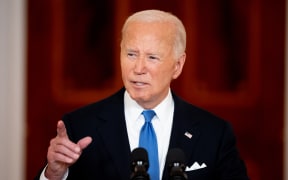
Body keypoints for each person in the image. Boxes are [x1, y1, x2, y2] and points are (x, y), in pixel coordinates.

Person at [36, 9, 249, 180]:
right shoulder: (79, 127)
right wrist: (54, 174)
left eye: (152, 57)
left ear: (177, 65)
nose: (138, 68)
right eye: (131, 54)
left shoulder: (214, 133)